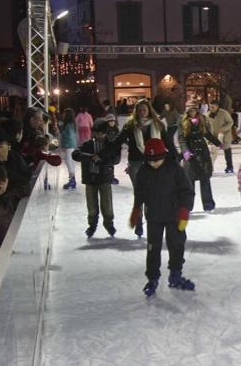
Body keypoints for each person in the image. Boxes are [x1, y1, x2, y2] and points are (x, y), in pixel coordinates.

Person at [129, 139, 196, 297]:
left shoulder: (174, 168)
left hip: (174, 215)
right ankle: (152, 278)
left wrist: (184, 209)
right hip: (153, 216)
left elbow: (187, 190)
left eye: (157, 160)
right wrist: (136, 208)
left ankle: (175, 275)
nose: (154, 164)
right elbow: (139, 193)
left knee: (177, 244)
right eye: (150, 161)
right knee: (153, 249)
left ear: (164, 156)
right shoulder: (143, 172)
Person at [108, 100, 174, 236]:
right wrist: (104, 152)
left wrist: (175, 158)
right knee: (139, 193)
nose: (142, 112)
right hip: (136, 163)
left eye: (144, 109)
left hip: (155, 163)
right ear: (136, 112)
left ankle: (152, 220)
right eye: (139, 110)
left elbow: (167, 143)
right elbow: (117, 142)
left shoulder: (158, 124)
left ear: (149, 110)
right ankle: (139, 223)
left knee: (153, 193)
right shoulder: (130, 125)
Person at [73, 120, 118, 238]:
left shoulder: (110, 145)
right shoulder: (88, 145)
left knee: (107, 205)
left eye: (102, 134)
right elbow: (75, 154)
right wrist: (90, 157)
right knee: (91, 206)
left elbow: (115, 159)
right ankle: (92, 225)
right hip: (91, 179)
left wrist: (102, 160)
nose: (99, 136)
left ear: (106, 134)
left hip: (104, 178)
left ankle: (109, 224)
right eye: (97, 134)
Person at [179, 105, 222, 212]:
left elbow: (206, 134)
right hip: (191, 154)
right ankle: (187, 206)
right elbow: (181, 138)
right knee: (189, 182)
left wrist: (217, 143)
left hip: (202, 154)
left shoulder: (201, 120)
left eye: (194, 110)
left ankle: (208, 205)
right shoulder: (183, 122)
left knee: (205, 179)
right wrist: (185, 151)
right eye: (190, 111)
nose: (192, 112)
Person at [207, 100, 236, 174]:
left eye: (213, 107)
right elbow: (207, 125)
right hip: (214, 136)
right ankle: (210, 168)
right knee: (213, 152)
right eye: (210, 107)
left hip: (225, 135)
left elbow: (230, 122)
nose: (211, 108)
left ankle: (229, 166)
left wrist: (223, 129)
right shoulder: (208, 114)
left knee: (227, 150)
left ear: (217, 106)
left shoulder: (224, 113)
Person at [58, 108, 79, 190]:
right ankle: (72, 179)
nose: (63, 115)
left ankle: (72, 179)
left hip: (69, 145)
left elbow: (69, 135)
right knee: (70, 161)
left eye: (64, 113)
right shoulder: (70, 124)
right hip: (70, 145)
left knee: (68, 161)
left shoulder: (69, 124)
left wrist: (61, 131)